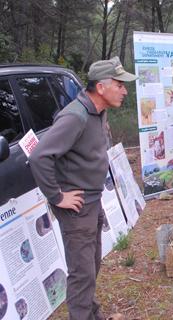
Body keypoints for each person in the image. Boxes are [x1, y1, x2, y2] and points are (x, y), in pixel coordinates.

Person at [30, 56, 136, 320]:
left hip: (92, 201)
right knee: (81, 274)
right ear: (101, 87)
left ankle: (92, 313)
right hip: (77, 209)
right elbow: (39, 157)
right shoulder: (75, 116)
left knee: (91, 267)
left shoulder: (98, 111)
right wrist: (57, 196)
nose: (124, 90)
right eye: (119, 85)